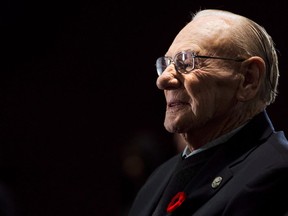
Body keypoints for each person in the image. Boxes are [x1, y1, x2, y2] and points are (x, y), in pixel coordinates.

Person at [128, 8, 288, 216]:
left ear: (248, 79)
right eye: (166, 64)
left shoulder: (278, 173)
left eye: (185, 62)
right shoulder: (158, 178)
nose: (163, 80)